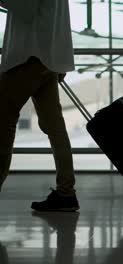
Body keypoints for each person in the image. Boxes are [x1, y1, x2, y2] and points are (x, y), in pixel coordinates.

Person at [0, 0, 79, 211]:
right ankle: (66, 192)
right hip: (48, 59)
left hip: (27, 57)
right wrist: (60, 61)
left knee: (3, 123)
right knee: (55, 129)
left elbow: (26, 9)